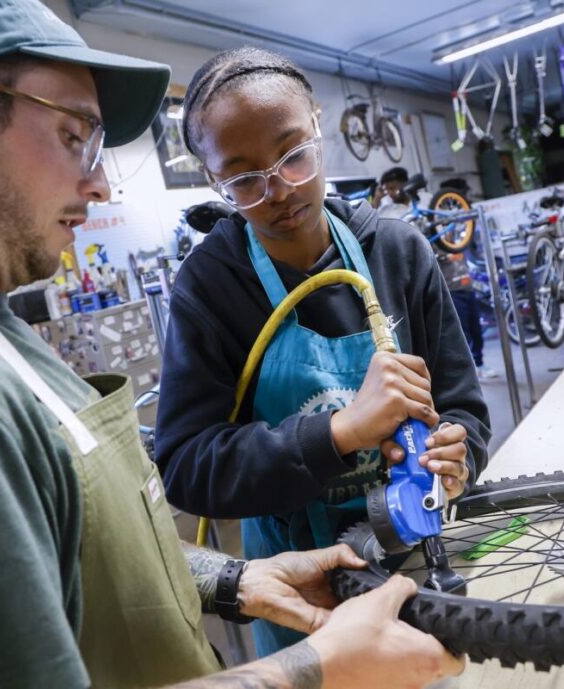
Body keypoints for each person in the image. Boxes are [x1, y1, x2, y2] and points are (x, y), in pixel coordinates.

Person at [0, 2, 464, 688]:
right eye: (74, 133)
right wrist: (315, 666)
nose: (101, 182)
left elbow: (84, 554)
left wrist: (232, 578)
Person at [154, 47, 491, 656]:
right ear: (212, 179)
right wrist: (338, 432)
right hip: (301, 594)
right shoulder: (210, 286)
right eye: (244, 179)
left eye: (292, 155)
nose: (279, 190)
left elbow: (465, 408)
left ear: (316, 123)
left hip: (417, 561)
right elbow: (186, 467)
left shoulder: (397, 251)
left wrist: (457, 453)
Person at [438, 252, 499, 380]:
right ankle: (467, 370)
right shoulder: (436, 242)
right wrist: (445, 257)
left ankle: (479, 364)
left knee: (476, 330)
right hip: (452, 292)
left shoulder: (458, 239)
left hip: (468, 290)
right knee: (462, 333)